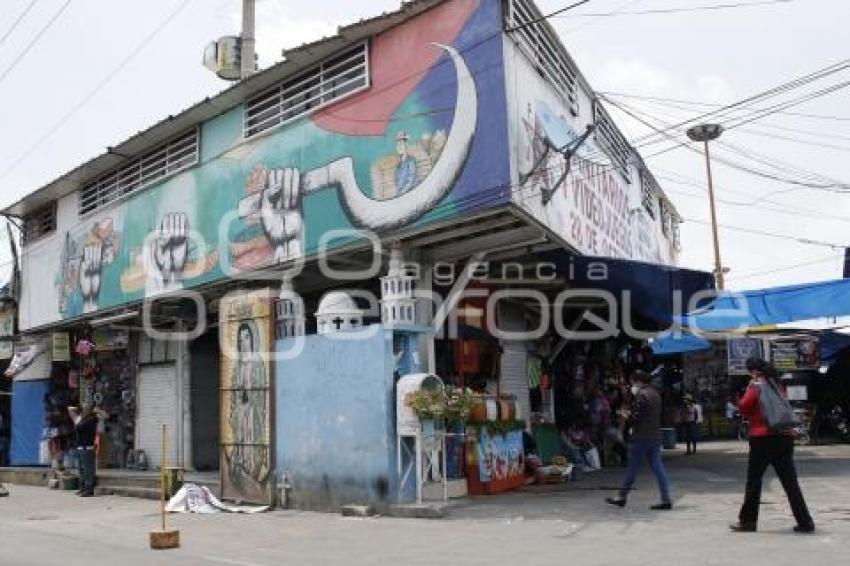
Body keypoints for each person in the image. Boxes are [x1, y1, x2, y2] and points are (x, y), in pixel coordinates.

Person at [730, 357, 815, 533]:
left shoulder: (756, 384)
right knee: (790, 483)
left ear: (751, 370)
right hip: (785, 436)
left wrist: (747, 390)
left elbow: (744, 407)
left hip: (763, 437)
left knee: (754, 481)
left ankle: (748, 522)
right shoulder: (777, 384)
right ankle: (805, 522)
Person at [606, 370, 672, 510]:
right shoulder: (656, 394)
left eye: (632, 381)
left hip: (641, 437)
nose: (632, 384)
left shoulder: (642, 395)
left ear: (638, 381)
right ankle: (666, 499)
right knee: (659, 468)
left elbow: (636, 418)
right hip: (654, 436)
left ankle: (622, 497)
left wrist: (625, 416)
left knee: (632, 468)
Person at [69, 404, 104, 497]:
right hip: (80, 447)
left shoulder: (91, 419)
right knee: (81, 469)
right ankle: (83, 487)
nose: (84, 409)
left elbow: (79, 427)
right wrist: (75, 411)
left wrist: (98, 411)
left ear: (90, 410)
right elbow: (70, 409)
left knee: (88, 470)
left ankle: (89, 489)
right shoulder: (83, 418)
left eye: (86, 408)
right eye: (84, 408)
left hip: (87, 447)